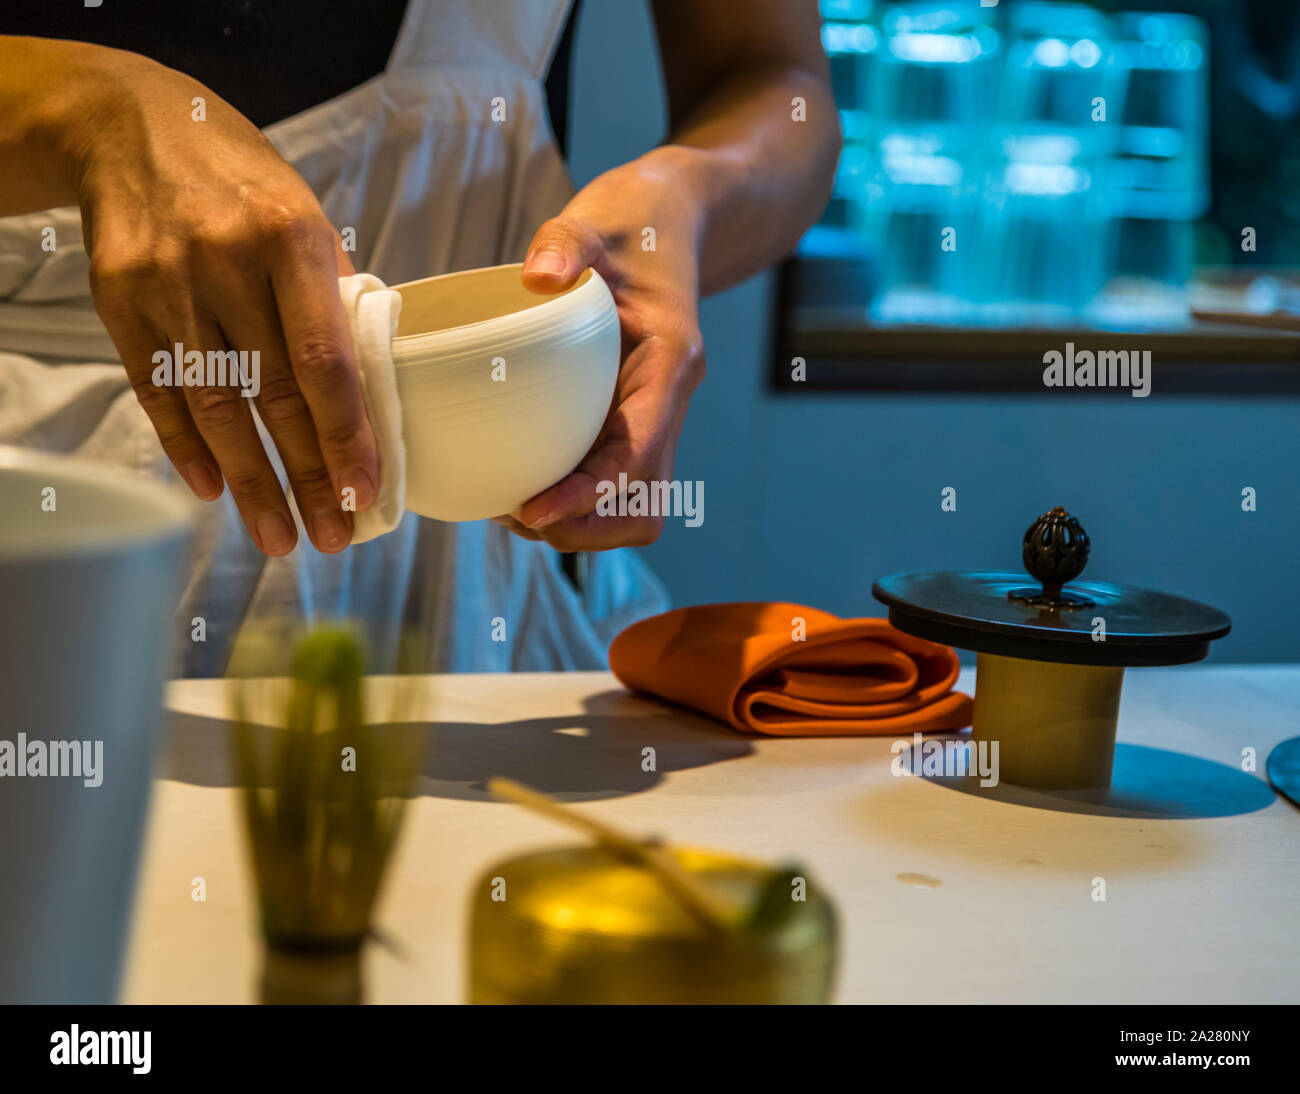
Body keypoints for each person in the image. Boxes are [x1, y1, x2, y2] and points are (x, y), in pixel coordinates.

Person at [0, 1, 839, 673]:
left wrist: (683, 200)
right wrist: (91, 112)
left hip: (490, 585)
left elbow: (776, 80)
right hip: (53, 515)